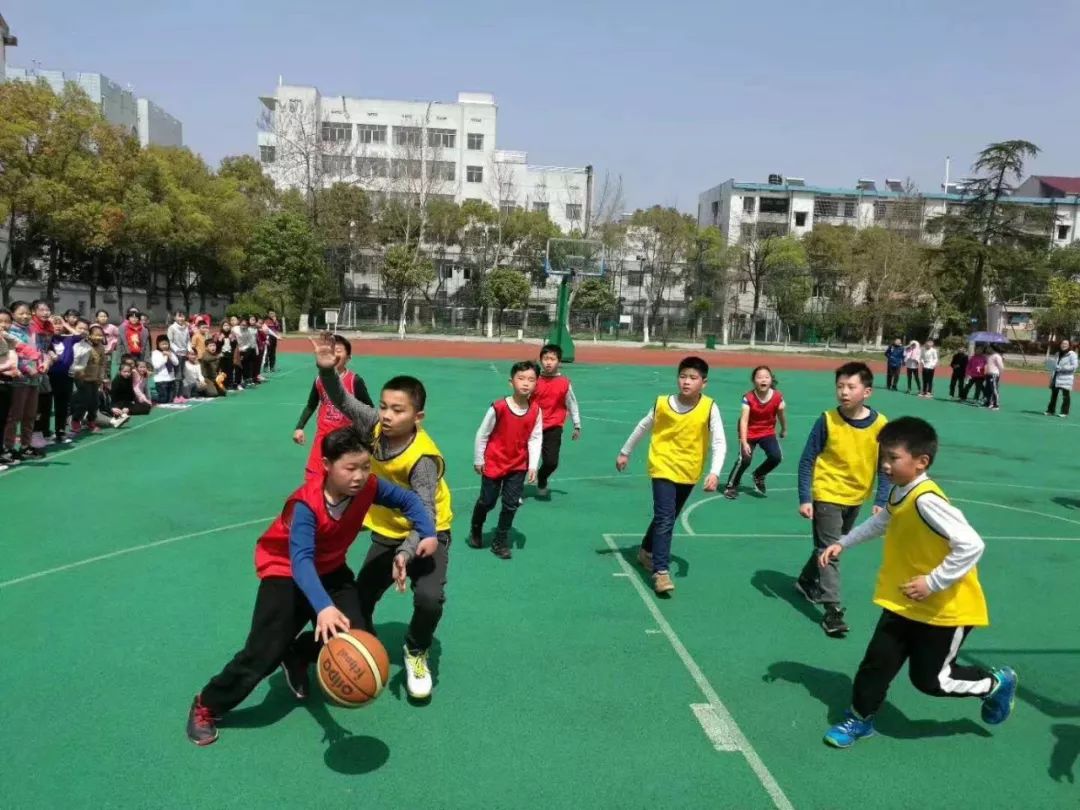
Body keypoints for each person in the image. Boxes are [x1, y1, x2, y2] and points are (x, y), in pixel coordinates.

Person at [186, 426, 436, 746]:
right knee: (263, 652)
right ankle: (206, 704)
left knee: (357, 631)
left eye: (365, 466)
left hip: (330, 569)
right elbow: (301, 560)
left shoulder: (369, 487)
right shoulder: (306, 505)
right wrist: (324, 607)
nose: (360, 475)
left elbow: (408, 500)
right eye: (350, 468)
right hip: (286, 571)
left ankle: (299, 654)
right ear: (327, 465)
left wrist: (426, 529)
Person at [817, 416, 1017, 748]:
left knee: (931, 680)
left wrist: (933, 582)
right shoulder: (901, 491)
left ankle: (992, 684)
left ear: (921, 461)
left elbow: (972, 544)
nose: (885, 465)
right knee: (876, 663)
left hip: (944, 608)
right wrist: (844, 541)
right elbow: (884, 520)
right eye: (883, 457)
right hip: (904, 600)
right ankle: (861, 718)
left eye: (893, 458)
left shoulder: (927, 500)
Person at [306, 339, 453, 700]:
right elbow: (343, 400)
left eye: (398, 410)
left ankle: (416, 650)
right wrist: (327, 369)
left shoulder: (422, 460)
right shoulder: (375, 425)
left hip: (429, 533)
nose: (387, 415)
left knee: (430, 599)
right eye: (385, 406)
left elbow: (425, 517)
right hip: (386, 532)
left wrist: (405, 553)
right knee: (362, 597)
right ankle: (365, 646)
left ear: (417, 417)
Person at [616, 356, 725, 595]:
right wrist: (625, 452)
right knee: (665, 517)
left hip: (689, 470)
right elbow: (643, 426)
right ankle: (661, 571)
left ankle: (645, 551)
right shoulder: (663, 403)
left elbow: (719, 441)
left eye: (693, 378)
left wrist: (715, 472)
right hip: (663, 466)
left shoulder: (709, 407)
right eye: (683, 376)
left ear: (703, 383)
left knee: (667, 516)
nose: (686, 382)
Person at [795, 361, 889, 637]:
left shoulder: (880, 424)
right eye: (840, 386)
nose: (844, 392)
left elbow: (884, 464)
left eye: (851, 386)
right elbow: (807, 460)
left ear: (867, 391)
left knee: (831, 547)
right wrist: (805, 497)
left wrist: (881, 499)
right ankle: (832, 611)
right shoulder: (827, 420)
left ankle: (805, 580)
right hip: (826, 493)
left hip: (856, 496)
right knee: (833, 551)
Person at [468, 360, 542, 560]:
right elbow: (482, 434)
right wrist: (478, 458)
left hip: (518, 465)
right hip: (494, 462)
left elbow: (535, 437)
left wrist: (533, 464)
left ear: (537, 383)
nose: (526, 383)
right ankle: (476, 528)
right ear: (511, 382)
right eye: (521, 378)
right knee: (488, 501)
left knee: (511, 504)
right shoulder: (499, 407)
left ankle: (499, 541)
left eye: (531, 379)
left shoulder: (536, 410)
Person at [294, 334, 373, 480]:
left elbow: (368, 409)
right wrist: (299, 427)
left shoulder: (355, 380)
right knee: (315, 478)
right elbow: (311, 405)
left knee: (344, 479)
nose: (333, 354)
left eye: (338, 351)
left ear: (348, 357)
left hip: (347, 439)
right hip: (323, 436)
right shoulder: (319, 380)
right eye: (331, 349)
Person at [724, 365, 787, 499]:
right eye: (759, 377)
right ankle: (731, 486)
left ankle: (759, 475)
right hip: (749, 431)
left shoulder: (778, 397)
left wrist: (783, 429)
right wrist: (744, 441)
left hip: (767, 432)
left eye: (766, 377)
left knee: (777, 457)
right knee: (745, 459)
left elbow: (781, 415)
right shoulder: (748, 398)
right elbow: (744, 420)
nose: (763, 380)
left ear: (771, 380)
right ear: (754, 381)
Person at [532, 343, 581, 498]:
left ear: (559, 361)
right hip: (531, 426)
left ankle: (542, 478)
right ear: (540, 360)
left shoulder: (564, 383)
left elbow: (572, 403)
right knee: (522, 461)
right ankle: (514, 492)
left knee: (551, 462)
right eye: (545, 358)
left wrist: (577, 424)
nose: (548, 362)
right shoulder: (533, 379)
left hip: (553, 427)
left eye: (552, 359)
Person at [1046, 338, 1077, 418]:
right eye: (1062, 344)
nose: (1064, 345)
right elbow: (1054, 365)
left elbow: (1074, 366)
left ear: (1069, 345)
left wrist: (1061, 368)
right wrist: (1050, 365)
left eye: (1066, 344)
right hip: (1055, 377)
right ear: (1060, 345)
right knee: (1053, 395)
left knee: (1065, 396)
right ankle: (1050, 410)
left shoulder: (1072, 354)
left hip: (1066, 378)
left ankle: (1064, 412)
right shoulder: (1057, 353)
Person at [983, 344, 1004, 411]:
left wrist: (999, 373)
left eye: (989, 348)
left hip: (994, 374)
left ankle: (996, 405)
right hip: (988, 374)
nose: (987, 349)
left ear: (992, 348)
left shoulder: (997, 356)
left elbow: (1001, 366)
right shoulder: (989, 356)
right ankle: (988, 403)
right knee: (987, 389)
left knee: (994, 389)